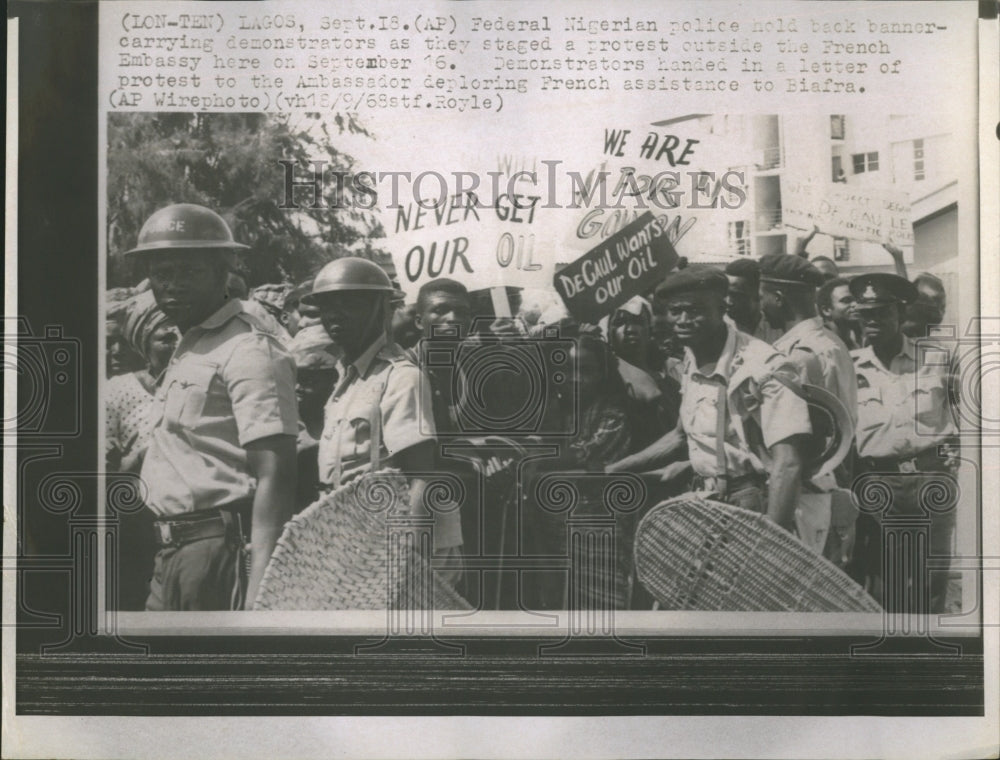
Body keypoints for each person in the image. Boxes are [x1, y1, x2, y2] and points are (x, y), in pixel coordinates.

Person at [128, 203, 298, 611]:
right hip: (169, 551)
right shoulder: (189, 348)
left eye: (190, 271)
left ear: (225, 270)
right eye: (162, 273)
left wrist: (263, 589)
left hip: (215, 551)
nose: (173, 285)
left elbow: (276, 473)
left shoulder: (249, 348)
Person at [610, 266, 812, 531]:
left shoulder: (763, 365)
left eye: (694, 311)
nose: (682, 320)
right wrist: (613, 470)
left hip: (753, 508)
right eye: (675, 311)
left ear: (722, 308)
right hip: (706, 504)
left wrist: (770, 541)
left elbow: (788, 463)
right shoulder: (692, 358)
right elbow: (680, 436)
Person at [305, 258, 464, 592]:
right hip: (360, 541)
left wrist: (407, 566)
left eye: (350, 303)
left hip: (402, 547)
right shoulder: (345, 379)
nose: (335, 314)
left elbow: (421, 477)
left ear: (381, 308)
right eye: (327, 305)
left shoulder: (400, 376)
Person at [848, 273, 960, 613]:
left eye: (881, 312)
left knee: (930, 581)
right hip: (879, 482)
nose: (872, 320)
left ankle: (931, 657)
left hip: (931, 480)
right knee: (885, 582)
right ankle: (893, 659)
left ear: (900, 314)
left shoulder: (936, 359)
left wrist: (949, 464)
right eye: (866, 314)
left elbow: (964, 418)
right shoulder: (850, 367)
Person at [758, 254, 858, 560]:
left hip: (807, 494)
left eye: (762, 297)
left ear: (778, 298)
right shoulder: (827, 341)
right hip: (818, 489)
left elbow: (823, 434)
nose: (760, 305)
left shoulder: (804, 353)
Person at [105, 290, 178, 610]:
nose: (176, 345)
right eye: (166, 338)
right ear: (144, 342)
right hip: (133, 524)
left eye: (181, 337)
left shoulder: (198, 387)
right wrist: (138, 460)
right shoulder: (118, 391)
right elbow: (102, 473)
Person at [604, 297, 681, 450]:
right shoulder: (608, 378)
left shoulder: (670, 382)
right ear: (609, 332)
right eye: (619, 323)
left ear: (650, 329)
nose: (630, 329)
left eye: (638, 322)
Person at [287, 324, 339, 512]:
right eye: (295, 379)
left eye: (309, 380)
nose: (298, 387)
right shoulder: (286, 420)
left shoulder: (341, 419)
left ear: (333, 379)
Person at [817, 276, 860, 350]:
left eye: (858, 300)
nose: (856, 305)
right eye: (846, 300)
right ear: (826, 310)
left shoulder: (854, 344)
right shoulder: (821, 346)